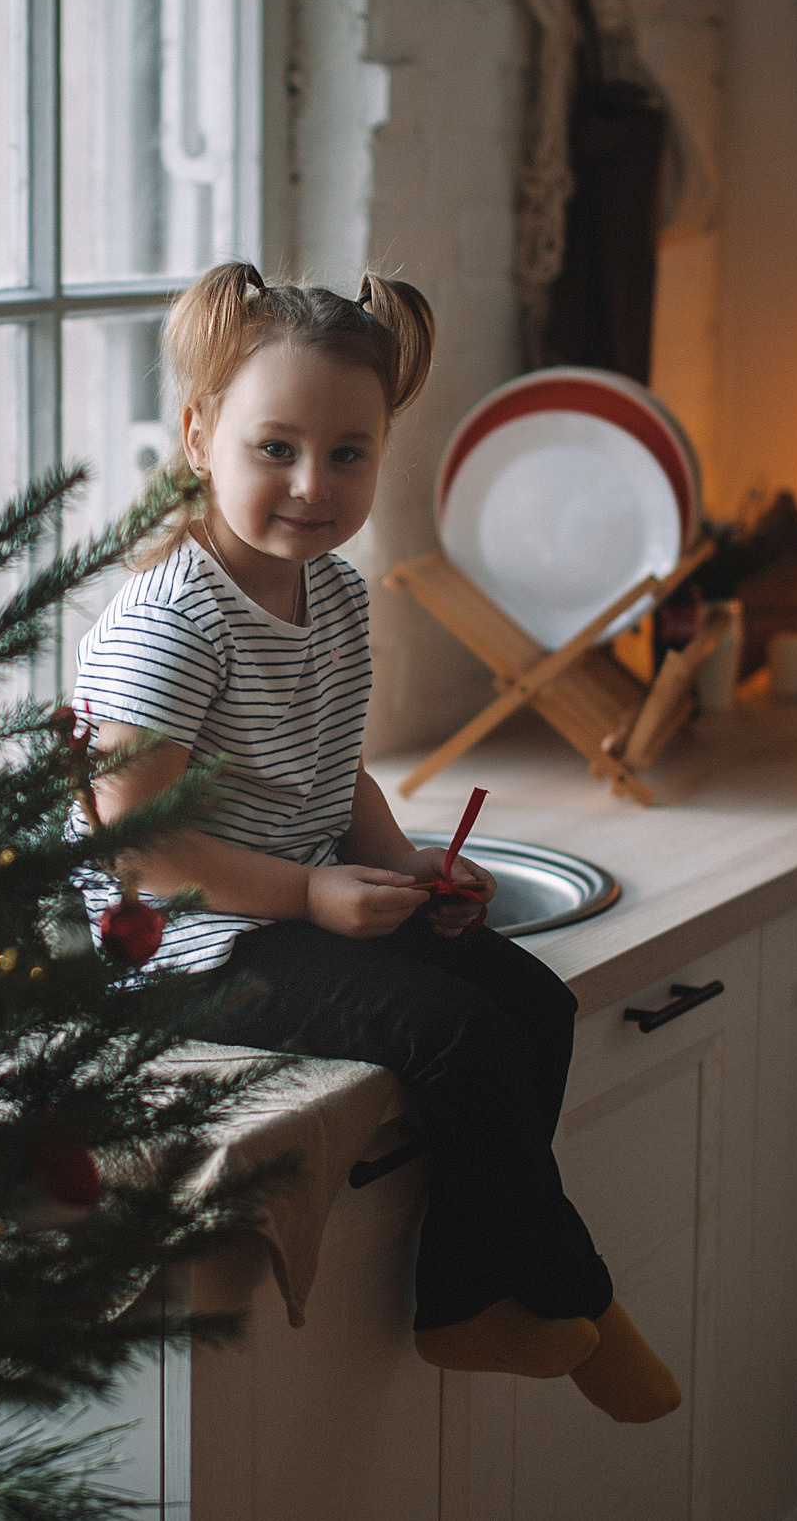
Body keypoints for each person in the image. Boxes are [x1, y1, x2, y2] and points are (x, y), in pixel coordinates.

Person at [73, 261, 681, 1421]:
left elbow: (328, 764)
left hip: (290, 905)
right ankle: (574, 1296)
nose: (312, 485)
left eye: (347, 454)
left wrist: (403, 869)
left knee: (535, 1007)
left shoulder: (333, 596)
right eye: (276, 449)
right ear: (200, 435)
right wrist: (308, 898)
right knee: (454, 1033)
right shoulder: (170, 618)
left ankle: (464, 1304)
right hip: (184, 952)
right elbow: (135, 846)